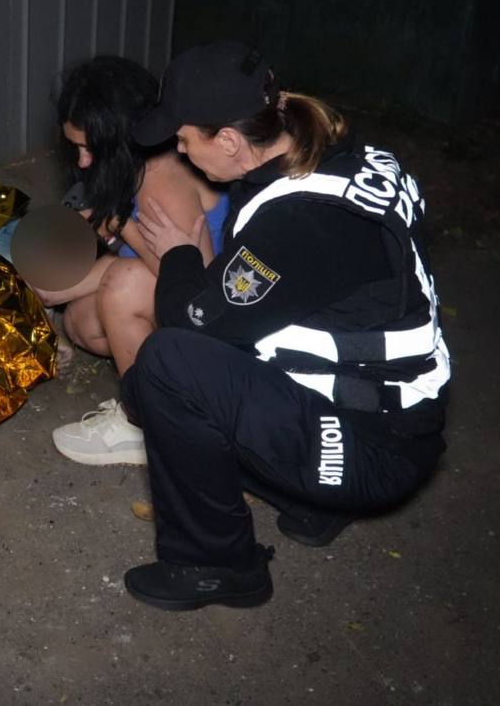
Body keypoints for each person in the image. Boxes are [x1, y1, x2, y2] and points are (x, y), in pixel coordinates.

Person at [69, 40, 451, 611]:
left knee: (168, 365)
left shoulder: (302, 223)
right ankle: (314, 505)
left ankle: (216, 564)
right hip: (390, 412)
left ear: (228, 140)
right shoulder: (337, 152)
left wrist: (179, 253)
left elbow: (193, 321)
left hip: (372, 449)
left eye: (184, 139)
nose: (178, 150)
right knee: (216, 363)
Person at [26, 58, 227, 410]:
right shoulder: (138, 163)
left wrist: (120, 226)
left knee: (121, 284)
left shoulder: (160, 180)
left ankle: (149, 409)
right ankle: (151, 359)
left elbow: (192, 284)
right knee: (79, 321)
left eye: (91, 148)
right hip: (155, 271)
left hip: (205, 309)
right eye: (76, 147)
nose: (83, 162)